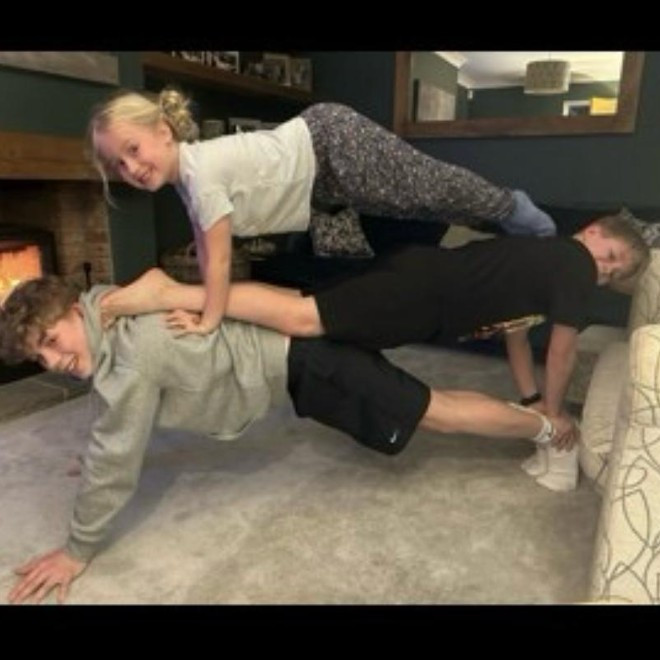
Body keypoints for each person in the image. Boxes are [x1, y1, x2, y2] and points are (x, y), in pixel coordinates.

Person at [0, 275, 558, 604]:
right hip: (299, 341)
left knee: (435, 413)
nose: (54, 361)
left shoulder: (132, 356)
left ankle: (554, 429)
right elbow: (109, 411)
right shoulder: (111, 308)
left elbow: (115, 457)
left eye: (52, 340)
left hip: (312, 361)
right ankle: (541, 422)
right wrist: (93, 446)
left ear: (74, 310)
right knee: (426, 403)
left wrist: (76, 552)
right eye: (38, 358)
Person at [98, 212, 649, 491]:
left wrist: (532, 400)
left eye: (615, 272)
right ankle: (170, 291)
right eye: (610, 255)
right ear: (591, 232)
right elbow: (562, 352)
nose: (604, 271)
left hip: (420, 282)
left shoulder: (545, 264)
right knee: (302, 318)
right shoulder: (574, 264)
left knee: (299, 310)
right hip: (421, 294)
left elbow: (517, 337)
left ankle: (197, 306)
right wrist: (555, 412)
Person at [87, 88, 556, 338]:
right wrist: (207, 303)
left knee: (426, 186)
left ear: (163, 131)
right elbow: (209, 253)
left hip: (331, 144)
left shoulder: (200, 174)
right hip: (323, 173)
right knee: (416, 204)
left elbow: (220, 259)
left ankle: (512, 206)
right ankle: (498, 221)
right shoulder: (189, 181)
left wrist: (208, 319)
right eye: (118, 165)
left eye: (133, 149)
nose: (131, 168)